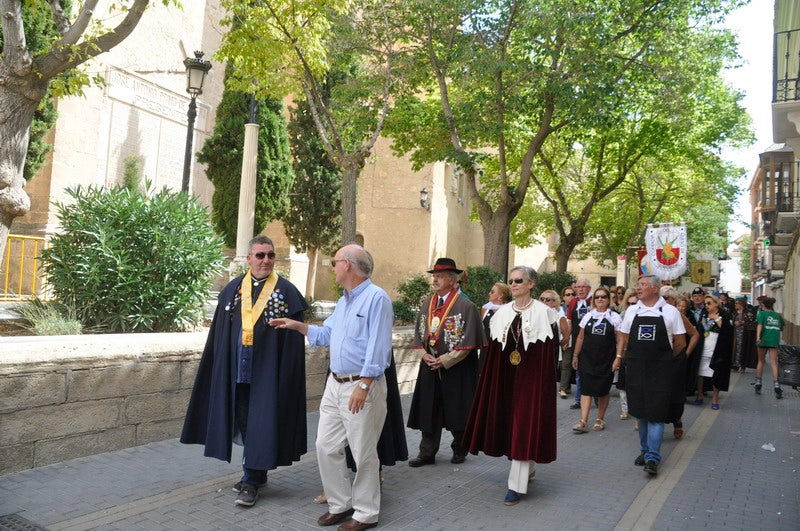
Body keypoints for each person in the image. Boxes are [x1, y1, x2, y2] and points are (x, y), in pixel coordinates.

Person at [270, 244, 393, 530]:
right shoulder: (344, 301)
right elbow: (327, 334)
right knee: (325, 446)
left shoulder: (377, 299)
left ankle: (365, 513)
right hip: (335, 384)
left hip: (361, 385)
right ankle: (340, 503)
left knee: (363, 452)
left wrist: (364, 384)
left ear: (348, 265)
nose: (332, 267)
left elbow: (379, 347)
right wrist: (297, 326)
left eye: (334, 262)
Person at [180, 235, 308, 508]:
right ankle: (256, 473)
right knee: (243, 420)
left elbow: (295, 344)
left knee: (261, 422)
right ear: (248, 258)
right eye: (260, 255)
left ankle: (251, 480)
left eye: (270, 255)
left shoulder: (286, 292)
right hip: (237, 370)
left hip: (267, 374)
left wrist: (286, 377)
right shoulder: (233, 290)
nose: (266, 261)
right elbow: (219, 335)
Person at [462, 266, 558, 506]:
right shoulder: (501, 313)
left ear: (531, 284)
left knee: (525, 423)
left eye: (519, 280)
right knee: (512, 423)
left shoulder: (544, 313)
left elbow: (548, 356)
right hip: (506, 378)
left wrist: (542, 386)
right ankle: (529, 465)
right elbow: (494, 353)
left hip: (532, 379)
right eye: (511, 280)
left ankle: (516, 486)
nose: (514, 284)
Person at [407, 258, 485, 467]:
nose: (435, 280)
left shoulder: (466, 306)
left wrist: (445, 360)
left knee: (458, 409)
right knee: (428, 410)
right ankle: (427, 452)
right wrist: (424, 355)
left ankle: (460, 448)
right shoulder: (427, 303)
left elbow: (469, 341)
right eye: (434, 276)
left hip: (456, 368)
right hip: (430, 365)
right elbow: (418, 334)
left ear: (452, 280)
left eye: (439, 276)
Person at [613, 275, 686, 477]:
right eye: (638, 285)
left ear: (655, 289)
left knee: (656, 414)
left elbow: (680, 343)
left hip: (660, 372)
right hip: (636, 369)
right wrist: (620, 357)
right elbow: (624, 338)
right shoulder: (632, 311)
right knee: (641, 413)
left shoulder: (670, 312)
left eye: (643, 285)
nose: (638, 288)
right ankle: (644, 451)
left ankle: (653, 457)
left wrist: (662, 361)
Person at [571, 286, 621, 433]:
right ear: (594, 300)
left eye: (603, 297)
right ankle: (583, 421)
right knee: (586, 389)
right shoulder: (588, 316)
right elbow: (580, 337)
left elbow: (620, 340)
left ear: (608, 299)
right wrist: (575, 355)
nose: (600, 299)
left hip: (606, 360)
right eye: (597, 297)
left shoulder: (614, 317)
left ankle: (600, 419)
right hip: (587, 358)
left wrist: (618, 358)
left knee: (603, 390)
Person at [661, 289, 700, 439]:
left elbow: (695, 334)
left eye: (668, 298)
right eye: (662, 297)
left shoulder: (677, 315)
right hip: (657, 360)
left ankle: (677, 420)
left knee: (674, 393)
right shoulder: (652, 313)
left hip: (675, 360)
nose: (665, 300)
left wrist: (685, 353)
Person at [694, 294, 733, 409]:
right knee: (701, 372)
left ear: (716, 303)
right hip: (704, 347)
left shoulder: (724, 314)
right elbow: (700, 329)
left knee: (717, 373)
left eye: (709, 303)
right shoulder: (704, 314)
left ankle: (715, 398)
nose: (706, 305)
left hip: (718, 348)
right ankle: (700, 394)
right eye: (705, 304)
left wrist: (717, 319)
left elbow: (727, 330)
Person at [566, 279, 593, 410]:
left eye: (583, 287)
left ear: (589, 288)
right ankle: (578, 399)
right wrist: (566, 338)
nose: (581, 289)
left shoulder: (594, 300)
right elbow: (569, 322)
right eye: (578, 287)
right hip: (578, 341)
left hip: (593, 342)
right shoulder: (573, 302)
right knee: (578, 371)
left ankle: (597, 396)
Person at [539, 289, 571, 391]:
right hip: (536, 351)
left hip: (552, 352)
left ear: (555, 302)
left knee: (547, 379)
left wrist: (557, 345)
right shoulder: (536, 314)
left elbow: (566, 336)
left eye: (547, 299)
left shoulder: (559, 316)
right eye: (542, 299)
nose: (544, 302)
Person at [755, 297, 785, 398]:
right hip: (774, 341)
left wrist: (758, 337)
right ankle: (777, 385)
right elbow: (781, 327)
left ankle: (758, 383)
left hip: (763, 340)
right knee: (774, 362)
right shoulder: (777, 315)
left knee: (761, 361)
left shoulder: (762, 314)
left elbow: (759, 325)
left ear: (763, 305)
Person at [480, 282, 512, 374]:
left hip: (501, 349)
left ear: (500, 296)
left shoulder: (509, 310)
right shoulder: (485, 308)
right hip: (486, 348)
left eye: (492, 292)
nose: (489, 293)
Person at [616, 289, 638, 422]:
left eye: (634, 304)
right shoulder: (623, 315)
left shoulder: (644, 315)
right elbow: (620, 337)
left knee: (636, 385)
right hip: (625, 353)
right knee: (622, 384)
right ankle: (625, 410)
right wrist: (619, 355)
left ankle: (637, 415)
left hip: (638, 354)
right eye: (629, 303)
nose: (631, 306)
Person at [558, 286, 577, 397]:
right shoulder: (560, 309)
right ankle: (565, 386)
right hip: (561, 338)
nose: (570, 296)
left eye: (572, 294)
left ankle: (563, 388)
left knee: (566, 363)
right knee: (563, 364)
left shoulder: (577, 307)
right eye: (568, 294)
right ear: (563, 297)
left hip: (572, 338)